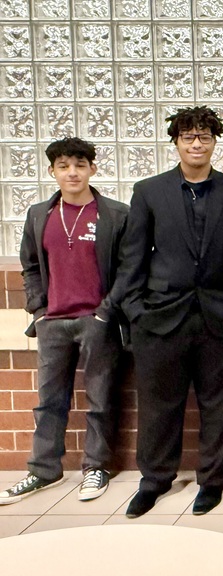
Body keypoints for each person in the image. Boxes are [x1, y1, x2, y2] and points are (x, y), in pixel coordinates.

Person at [119, 106, 223, 518]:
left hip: (221, 317)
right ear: (176, 142)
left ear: (215, 142)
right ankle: (155, 480)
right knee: (159, 404)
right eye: (188, 137)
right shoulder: (149, 191)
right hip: (161, 318)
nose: (196, 143)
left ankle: (212, 482)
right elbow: (133, 258)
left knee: (219, 404)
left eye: (204, 136)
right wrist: (136, 310)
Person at [0, 138, 129, 505]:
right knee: (49, 401)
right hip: (53, 321)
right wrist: (39, 311)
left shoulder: (115, 214)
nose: (72, 172)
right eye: (63, 166)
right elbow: (30, 266)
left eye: (79, 164)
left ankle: (96, 468)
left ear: (92, 169)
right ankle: (43, 470)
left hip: (97, 320)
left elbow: (129, 269)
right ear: (52, 171)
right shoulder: (39, 214)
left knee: (100, 397)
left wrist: (106, 311)